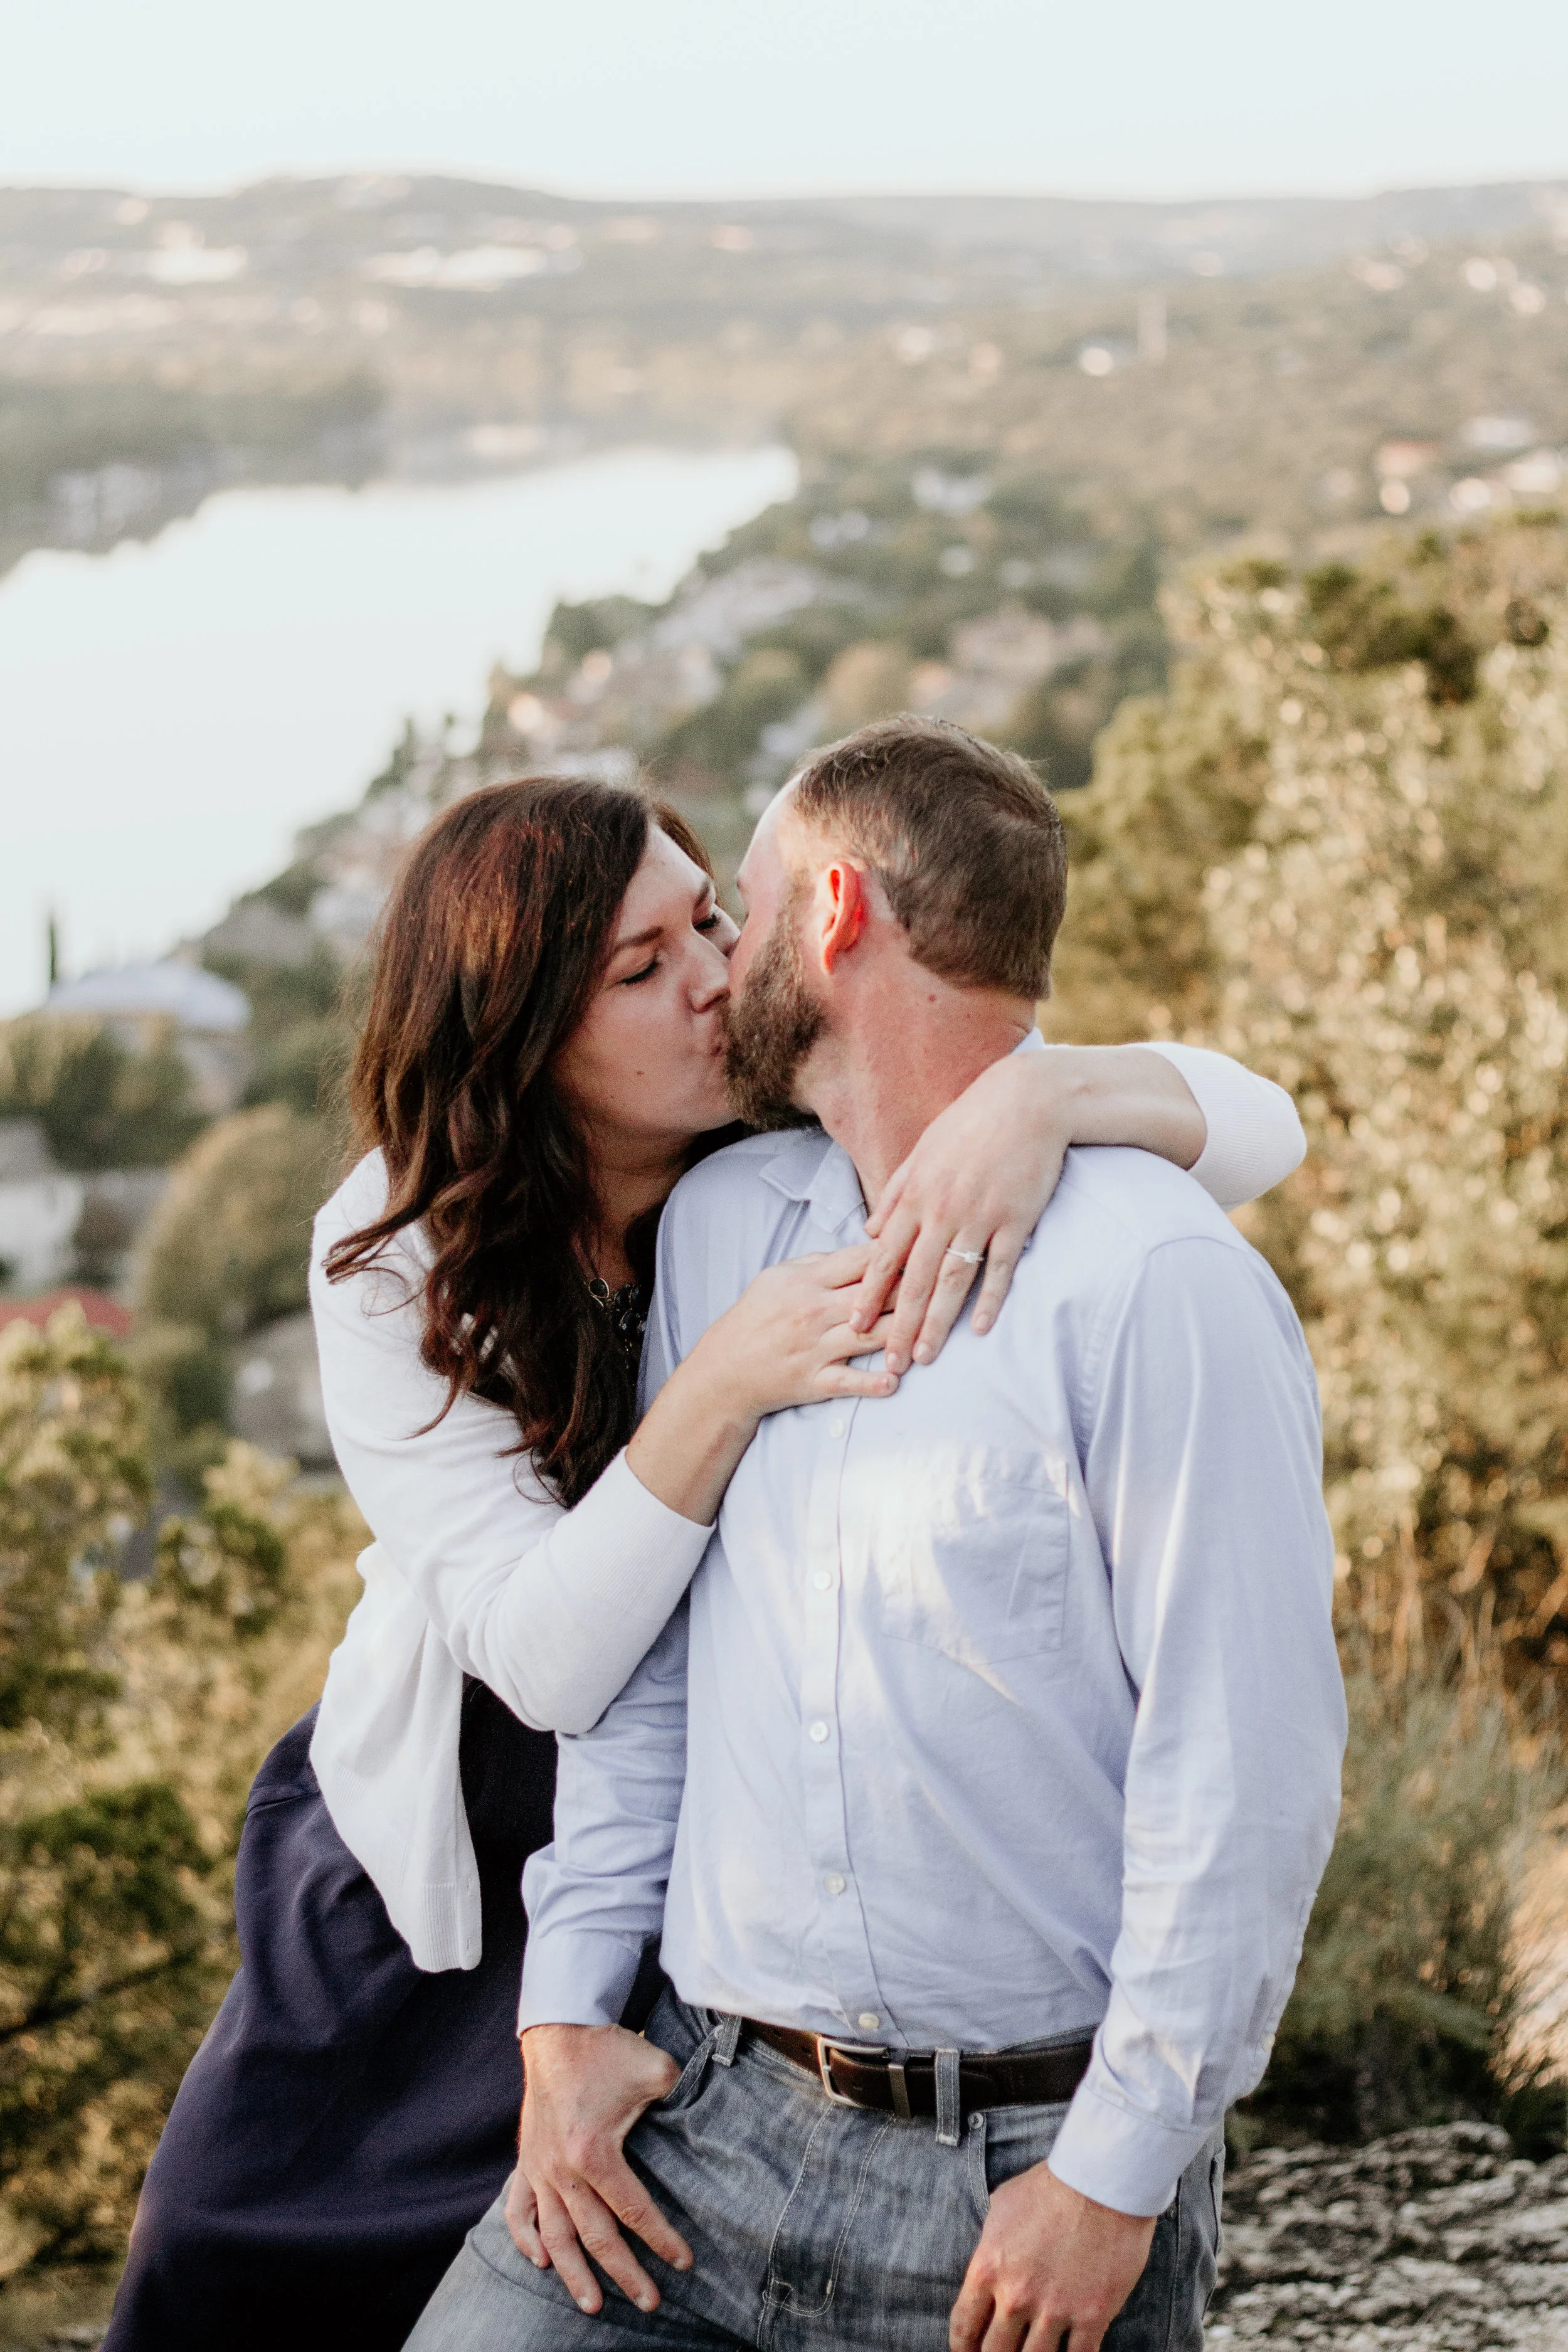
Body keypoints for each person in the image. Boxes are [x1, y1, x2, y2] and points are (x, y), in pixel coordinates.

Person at [105, 770, 1304, 2352]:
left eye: (715, 921)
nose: (716, 974)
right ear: (525, 1030)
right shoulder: (404, 1251)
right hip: (473, 1798)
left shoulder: (772, 1133)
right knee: (222, 2252)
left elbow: (1258, 1126)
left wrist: (1038, 1100)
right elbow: (551, 1662)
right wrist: (723, 1378)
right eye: (641, 964)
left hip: (731, 1827)